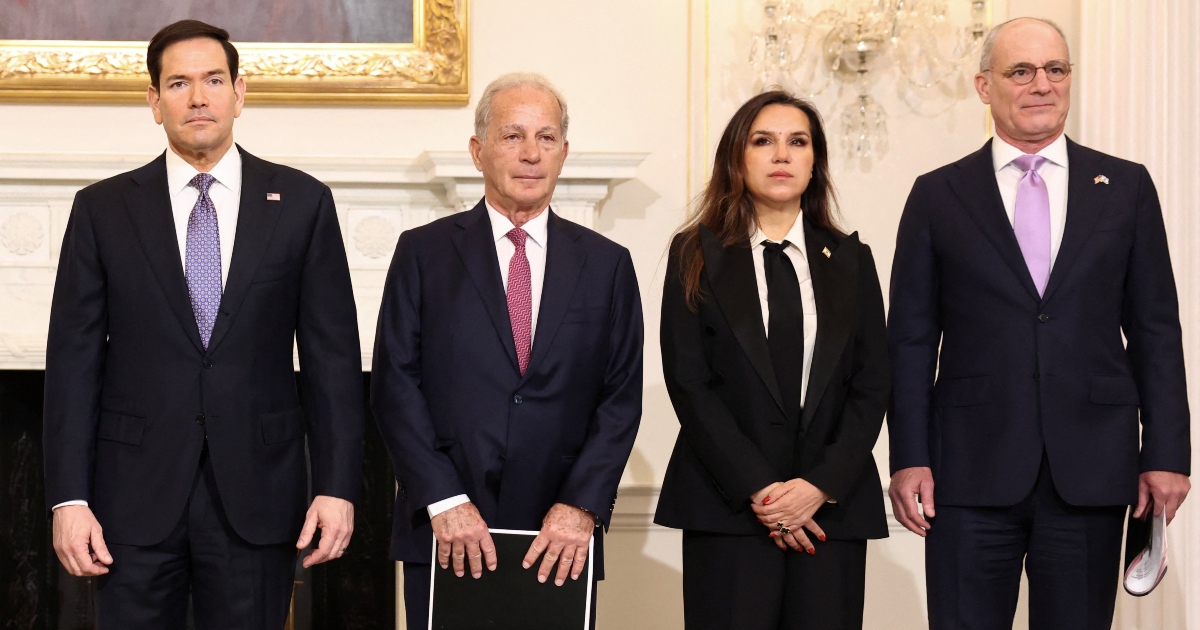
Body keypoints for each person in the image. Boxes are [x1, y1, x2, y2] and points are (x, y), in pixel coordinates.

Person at [43, 20, 365, 629]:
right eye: (179, 83)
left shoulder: (302, 203)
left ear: (239, 94)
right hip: (129, 503)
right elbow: (72, 365)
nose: (198, 98)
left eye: (214, 80)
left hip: (259, 495)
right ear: (154, 101)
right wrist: (69, 497)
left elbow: (333, 362)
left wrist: (337, 486)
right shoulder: (103, 209)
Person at [887, 17, 1191, 630]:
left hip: (1091, 468)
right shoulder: (937, 195)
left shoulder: (1126, 187)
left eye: (1055, 69)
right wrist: (908, 456)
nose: (1041, 84)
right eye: (1021, 71)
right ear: (984, 85)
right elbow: (911, 341)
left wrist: (1167, 452)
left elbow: (1156, 331)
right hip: (967, 471)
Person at [370, 72, 644, 629]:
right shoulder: (422, 253)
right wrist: (444, 499)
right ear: (478, 152)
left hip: (559, 534)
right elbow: (394, 383)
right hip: (447, 527)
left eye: (546, 138)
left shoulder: (607, 264)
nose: (530, 154)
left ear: (563, 152)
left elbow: (620, 398)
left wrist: (581, 506)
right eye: (512, 136)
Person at [654, 90, 890, 629]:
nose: (781, 155)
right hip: (730, 508)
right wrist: (764, 493)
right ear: (737, 157)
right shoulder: (694, 254)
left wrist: (817, 487)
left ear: (815, 160)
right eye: (763, 141)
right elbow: (689, 383)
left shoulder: (852, 260)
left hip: (829, 513)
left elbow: (872, 384)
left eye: (797, 142)